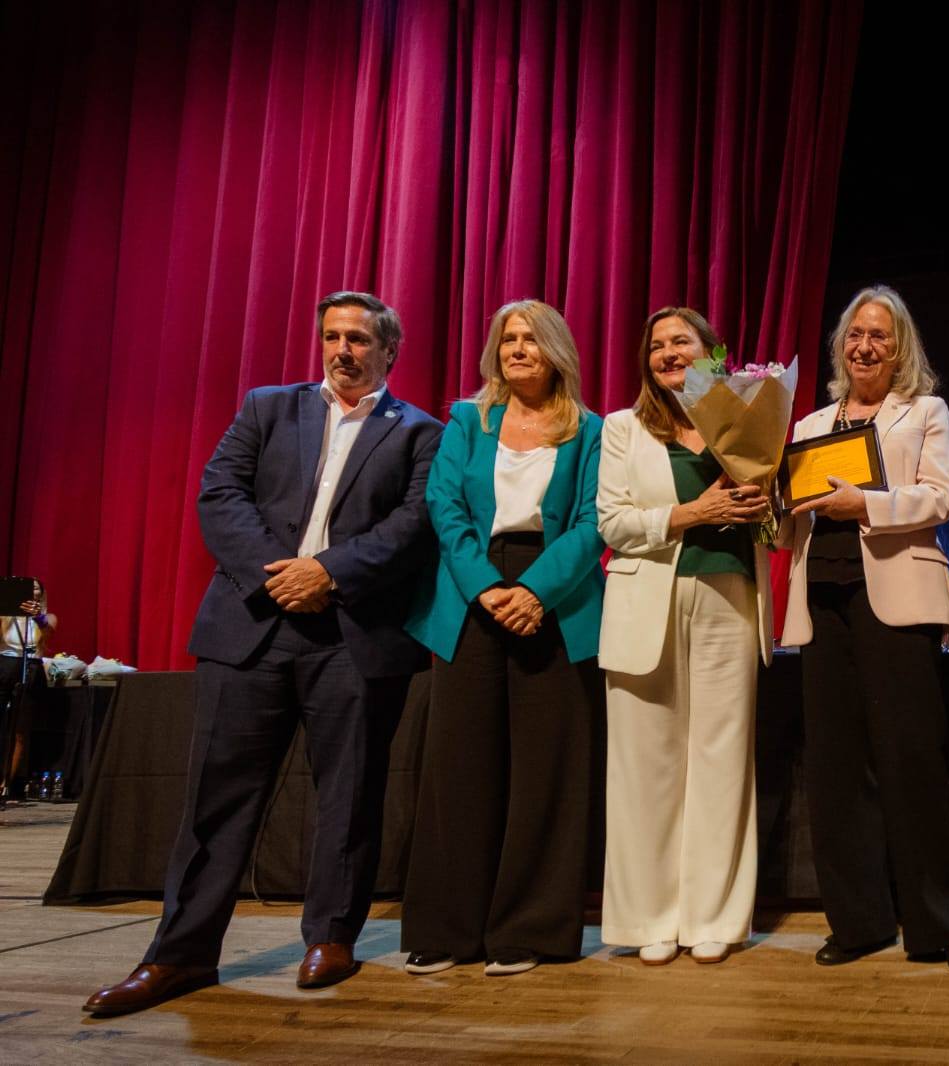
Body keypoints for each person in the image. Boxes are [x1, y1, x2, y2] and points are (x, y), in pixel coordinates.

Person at [83, 291, 442, 1016]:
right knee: (216, 799)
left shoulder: (421, 433)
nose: (342, 350)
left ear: (389, 350)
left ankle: (332, 937)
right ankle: (179, 955)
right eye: (332, 337)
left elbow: (415, 524)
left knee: (349, 797)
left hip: (353, 636)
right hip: (251, 626)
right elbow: (221, 495)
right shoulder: (267, 407)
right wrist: (281, 577)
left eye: (358, 339)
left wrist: (328, 573)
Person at [780, 286, 949, 974]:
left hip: (897, 599)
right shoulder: (808, 424)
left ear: (900, 349)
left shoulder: (925, 411)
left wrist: (862, 502)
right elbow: (791, 519)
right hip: (822, 601)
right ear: (841, 345)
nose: (865, 346)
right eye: (855, 334)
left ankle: (944, 927)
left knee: (912, 762)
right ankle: (858, 922)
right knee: (835, 770)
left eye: (880, 336)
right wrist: (770, 503)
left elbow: (941, 496)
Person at [401, 300, 603, 976]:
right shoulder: (467, 420)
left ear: (556, 351)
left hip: (556, 595)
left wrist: (536, 592)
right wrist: (486, 587)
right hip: (471, 592)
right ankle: (448, 929)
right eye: (508, 339)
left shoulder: (591, 429)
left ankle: (529, 930)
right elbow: (444, 505)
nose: (518, 348)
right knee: (458, 766)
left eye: (531, 339)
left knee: (547, 772)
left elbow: (592, 521)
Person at [596, 306, 772, 966]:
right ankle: (649, 919)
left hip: (730, 595)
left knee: (722, 761)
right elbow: (613, 523)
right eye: (657, 345)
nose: (669, 352)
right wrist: (693, 512)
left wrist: (765, 505)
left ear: (710, 352)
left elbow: (773, 520)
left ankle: (714, 917)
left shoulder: (746, 421)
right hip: (645, 600)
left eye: (682, 341)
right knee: (645, 766)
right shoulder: (623, 428)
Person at [1, 581, 55, 797]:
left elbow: (48, 632)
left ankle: (6, 783)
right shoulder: (5, 617)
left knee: (20, 729)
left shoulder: (47, 618)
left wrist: (37, 617)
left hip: (31, 667)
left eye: (36, 588)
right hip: (5, 664)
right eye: (28, 587)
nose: (32, 591)